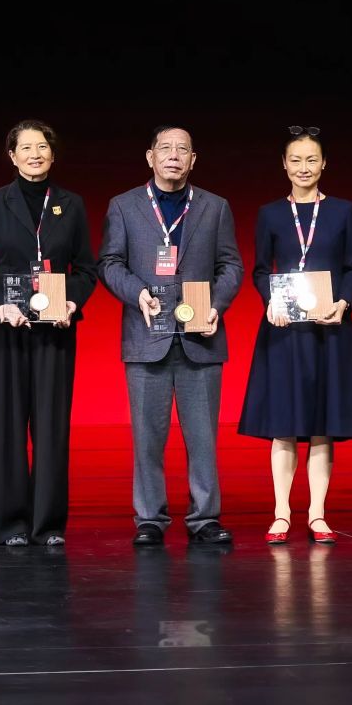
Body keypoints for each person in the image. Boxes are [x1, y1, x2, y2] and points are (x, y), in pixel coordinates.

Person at [98, 125, 244, 546]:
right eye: (166, 148)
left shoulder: (215, 207)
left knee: (203, 438)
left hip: (201, 336)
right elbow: (109, 262)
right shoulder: (124, 206)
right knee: (147, 437)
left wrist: (216, 305)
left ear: (193, 159)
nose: (174, 156)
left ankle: (205, 517)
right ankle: (149, 518)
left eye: (183, 150)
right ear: (150, 156)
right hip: (147, 335)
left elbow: (231, 265)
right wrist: (137, 293)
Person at [0, 120, 98, 547]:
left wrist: (72, 302)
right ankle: (10, 524)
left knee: (52, 426)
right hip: (6, 328)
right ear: (12, 155)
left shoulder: (71, 204)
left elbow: (87, 269)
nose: (35, 155)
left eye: (42, 147)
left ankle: (48, 524)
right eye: (26, 148)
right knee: (5, 425)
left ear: (53, 155)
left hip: (55, 328)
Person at [237, 127, 352, 544]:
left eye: (311, 159)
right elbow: (261, 269)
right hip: (284, 330)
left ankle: (317, 513)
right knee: (283, 422)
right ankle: (281, 512)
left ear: (324, 163)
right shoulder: (270, 213)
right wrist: (270, 301)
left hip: (329, 329)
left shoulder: (343, 211)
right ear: (284, 164)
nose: (303, 167)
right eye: (295, 160)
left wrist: (343, 303)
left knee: (321, 425)